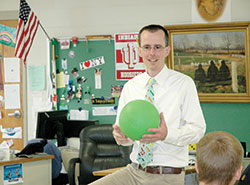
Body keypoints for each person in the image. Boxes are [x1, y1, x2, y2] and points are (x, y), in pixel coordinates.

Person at [90, 24, 206, 185]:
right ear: (139, 51)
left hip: (166, 175)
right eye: (147, 47)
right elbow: (124, 134)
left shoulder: (184, 84)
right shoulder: (131, 86)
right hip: (134, 171)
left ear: (167, 50)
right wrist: (122, 137)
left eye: (158, 47)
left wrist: (167, 134)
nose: (152, 53)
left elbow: (198, 130)